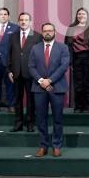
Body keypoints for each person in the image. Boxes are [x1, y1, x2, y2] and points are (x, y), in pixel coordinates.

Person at [29, 22, 70, 157]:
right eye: (45, 30)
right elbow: (31, 67)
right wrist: (42, 81)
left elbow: (64, 66)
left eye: (50, 30)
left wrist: (49, 80)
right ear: (42, 32)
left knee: (57, 118)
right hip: (39, 88)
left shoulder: (63, 48)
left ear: (54, 32)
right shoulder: (35, 48)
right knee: (41, 118)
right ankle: (43, 146)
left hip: (56, 87)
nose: (47, 32)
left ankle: (57, 146)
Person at [8, 12, 42, 132]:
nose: (23, 22)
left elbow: (40, 56)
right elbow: (8, 54)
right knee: (17, 99)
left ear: (30, 22)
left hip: (31, 73)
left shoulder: (37, 36)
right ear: (18, 22)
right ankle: (18, 123)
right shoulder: (12, 36)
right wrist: (9, 70)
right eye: (21, 20)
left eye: (26, 20)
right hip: (16, 73)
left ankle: (30, 123)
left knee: (30, 100)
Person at [65, 7, 89, 113]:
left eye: (83, 14)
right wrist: (69, 60)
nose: (81, 16)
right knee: (78, 84)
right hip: (76, 59)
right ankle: (78, 107)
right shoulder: (71, 27)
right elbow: (67, 44)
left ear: (87, 16)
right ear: (77, 16)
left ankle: (88, 107)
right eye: (79, 14)